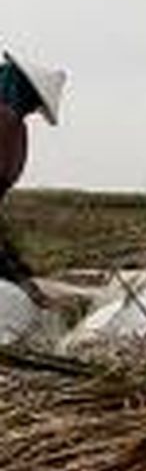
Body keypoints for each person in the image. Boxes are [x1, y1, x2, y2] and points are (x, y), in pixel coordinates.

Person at [0, 51, 66, 305]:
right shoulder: (6, 123)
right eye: (32, 100)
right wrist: (18, 278)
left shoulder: (13, 127)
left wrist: (19, 270)